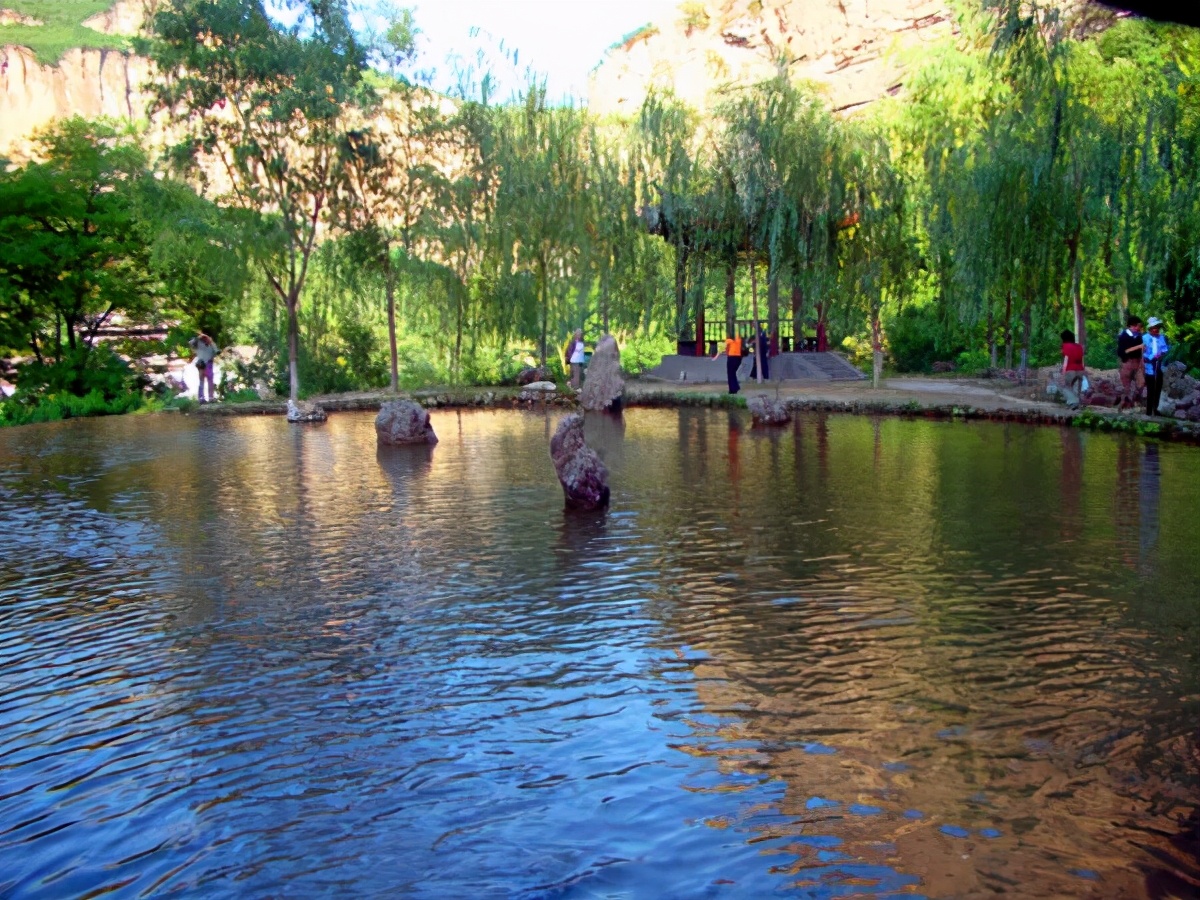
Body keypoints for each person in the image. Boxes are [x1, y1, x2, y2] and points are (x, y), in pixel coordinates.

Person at [1116, 315, 1144, 410]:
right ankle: (1124, 404)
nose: (1138, 328)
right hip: (1127, 362)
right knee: (1126, 385)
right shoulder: (1123, 336)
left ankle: (1134, 401)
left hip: (1138, 362)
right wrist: (1139, 346)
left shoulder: (1139, 336)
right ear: (1132, 326)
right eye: (1137, 326)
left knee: (1140, 383)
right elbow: (1125, 351)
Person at [1142, 316, 1169, 416]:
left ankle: (1156, 408)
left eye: (1157, 327)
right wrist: (1150, 357)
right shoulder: (1144, 338)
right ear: (1150, 329)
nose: (1156, 329)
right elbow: (1142, 352)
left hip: (1159, 365)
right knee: (1151, 388)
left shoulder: (1161, 337)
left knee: (1158, 387)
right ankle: (1148, 410)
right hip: (1149, 365)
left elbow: (1165, 350)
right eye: (1154, 327)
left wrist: (1161, 355)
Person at [188, 332, 218, 403]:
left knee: (210, 381)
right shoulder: (198, 344)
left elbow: (217, 351)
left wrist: (210, 341)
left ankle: (211, 397)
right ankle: (201, 398)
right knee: (201, 381)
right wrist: (199, 337)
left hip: (209, 363)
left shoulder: (211, 344)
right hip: (201, 364)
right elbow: (190, 343)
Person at [711, 330, 744, 394]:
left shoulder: (729, 340)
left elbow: (721, 348)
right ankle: (736, 387)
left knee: (730, 374)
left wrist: (716, 357)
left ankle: (733, 389)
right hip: (738, 358)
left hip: (732, 358)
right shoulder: (739, 339)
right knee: (733, 373)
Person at [1060, 329, 1085, 409]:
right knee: (1076, 388)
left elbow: (1066, 359)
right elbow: (1082, 359)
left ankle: (1073, 402)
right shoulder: (1079, 346)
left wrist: (1063, 373)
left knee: (1065, 386)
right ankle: (1077, 402)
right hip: (1080, 369)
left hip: (1070, 369)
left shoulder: (1065, 346)